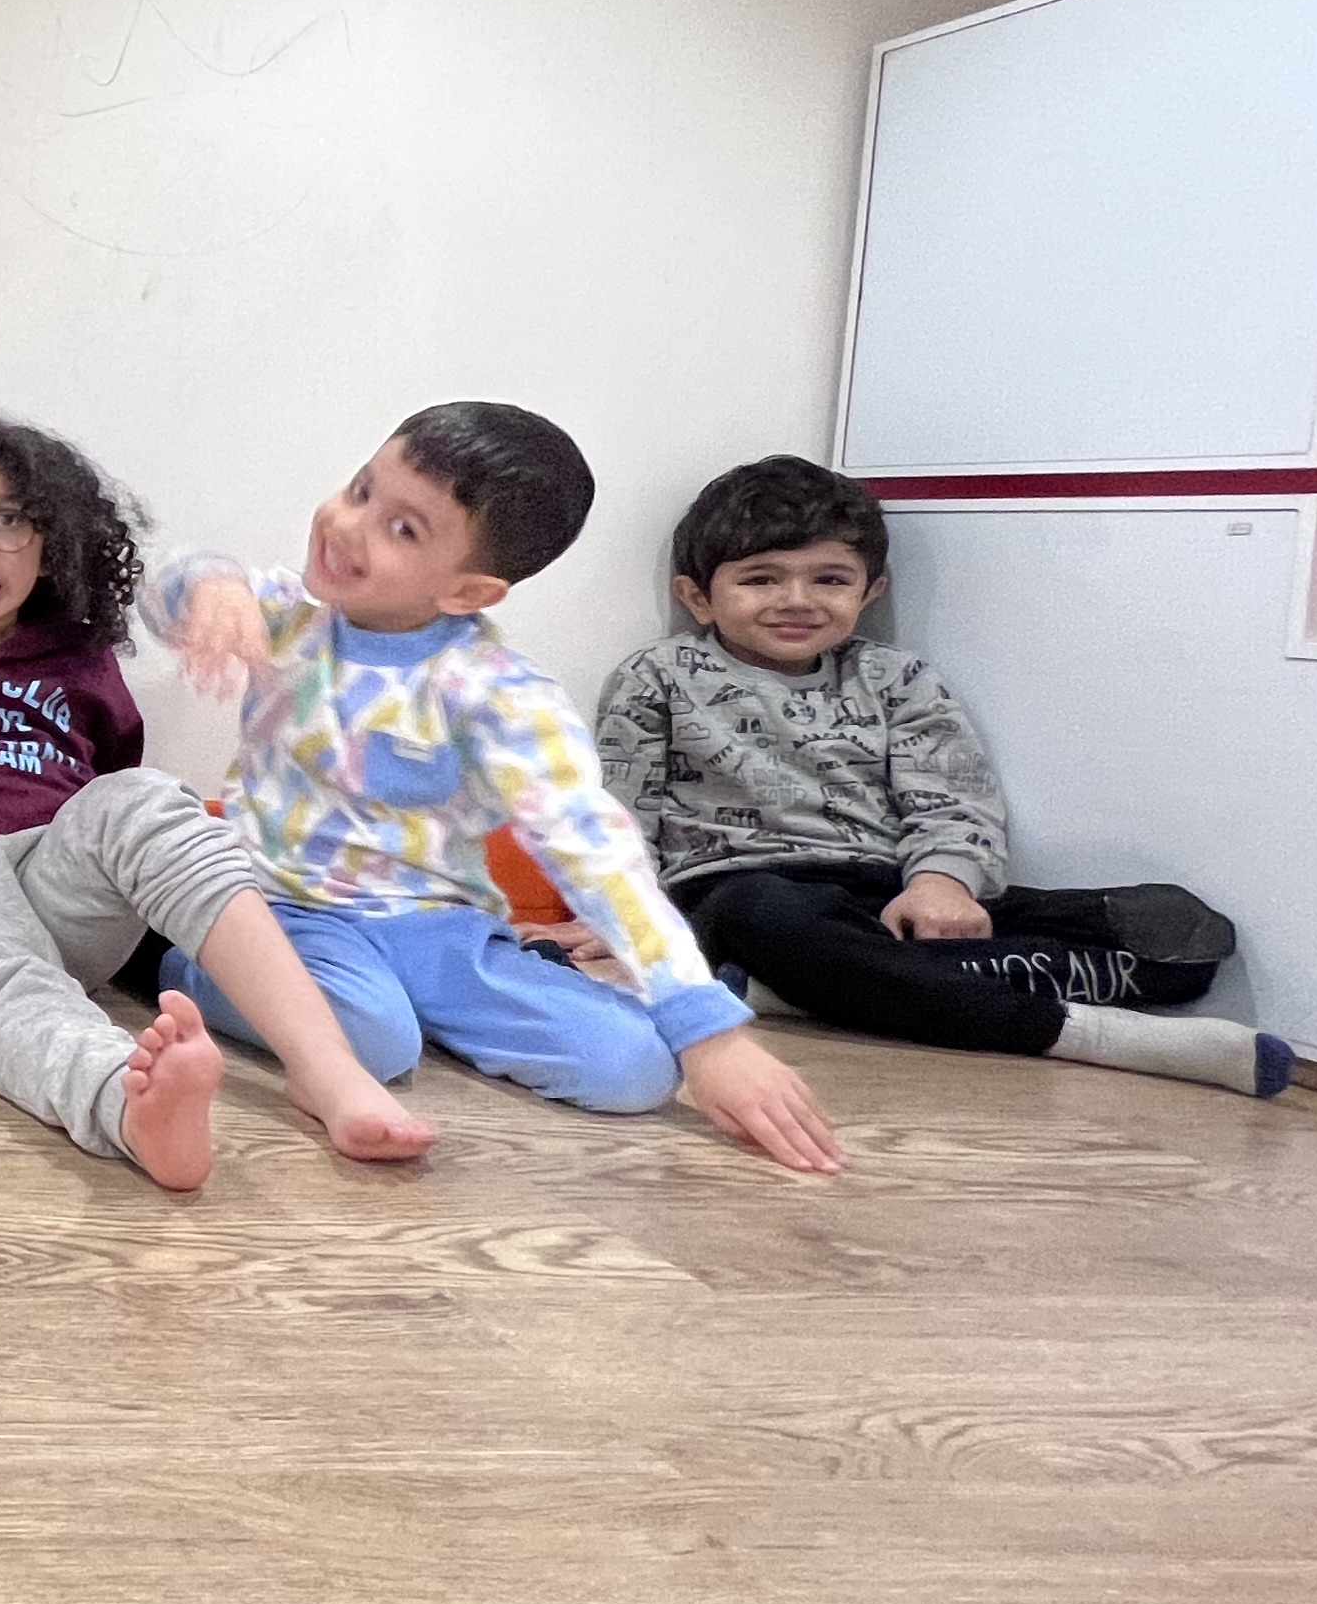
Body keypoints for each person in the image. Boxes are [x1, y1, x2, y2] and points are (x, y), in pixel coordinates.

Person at [143, 401, 846, 1174]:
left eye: (402, 528)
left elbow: (593, 846)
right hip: (285, 912)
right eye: (361, 489)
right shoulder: (285, 615)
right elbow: (164, 584)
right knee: (373, 1041)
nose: (349, 525)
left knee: (639, 1068)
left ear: (469, 593)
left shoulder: (499, 693)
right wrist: (210, 586)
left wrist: (705, 1029)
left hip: (445, 934)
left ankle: (414, 1010)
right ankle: (182, 963)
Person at [0, 413, 436, 1188]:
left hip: (57, 873)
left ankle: (327, 1070)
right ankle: (126, 1107)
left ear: (51, 543)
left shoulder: (81, 661)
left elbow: (113, 783)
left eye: (10, 520)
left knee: (145, 796)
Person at [596, 453, 1288, 1096]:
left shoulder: (896, 677)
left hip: (890, 893)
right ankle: (1082, 1031)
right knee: (769, 918)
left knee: (1181, 940)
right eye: (761, 579)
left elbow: (953, 797)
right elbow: (619, 813)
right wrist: (621, 916)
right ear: (698, 597)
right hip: (740, 893)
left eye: (830, 579)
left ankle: (799, 991)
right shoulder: (659, 674)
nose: (798, 599)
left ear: (871, 591)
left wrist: (941, 883)